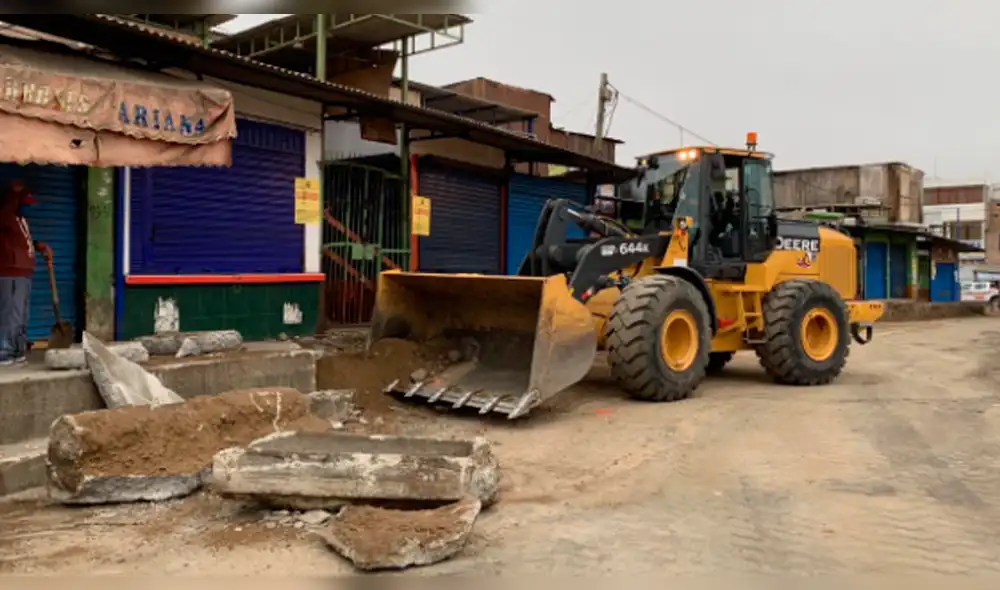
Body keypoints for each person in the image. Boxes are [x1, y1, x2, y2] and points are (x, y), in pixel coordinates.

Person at [0, 180, 52, 366]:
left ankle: (18, 351)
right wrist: (14, 194)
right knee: (10, 314)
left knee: (21, 314)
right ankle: (5, 352)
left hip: (25, 273)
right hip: (11, 272)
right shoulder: (6, 217)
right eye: (24, 204)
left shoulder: (22, 221)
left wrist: (38, 245)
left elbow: (23, 241)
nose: (27, 208)